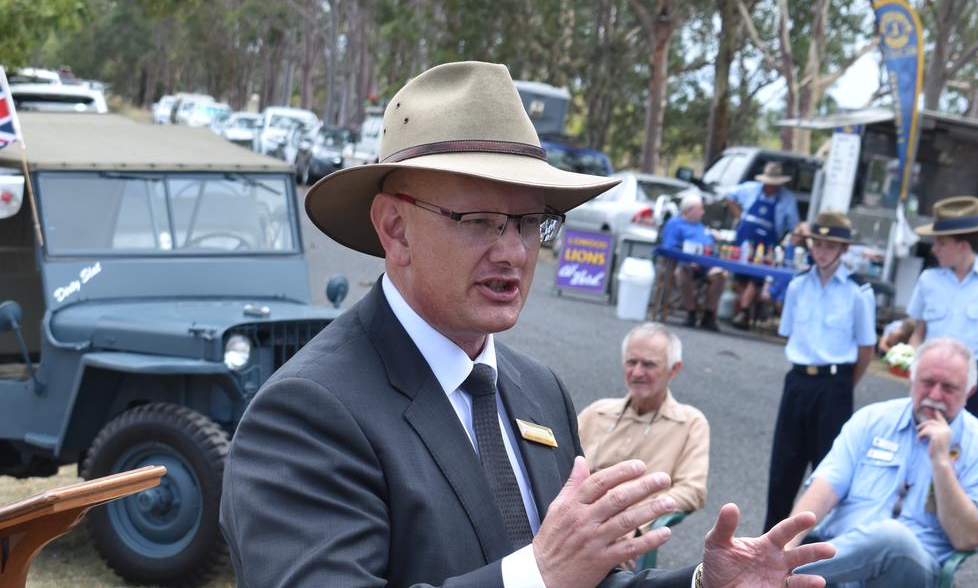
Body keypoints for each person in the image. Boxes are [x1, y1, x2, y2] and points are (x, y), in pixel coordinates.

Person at [220, 61, 834, 588]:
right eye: (480, 219)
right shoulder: (308, 412)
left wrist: (702, 584)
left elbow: (588, 579)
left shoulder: (538, 390)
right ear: (394, 229)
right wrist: (536, 574)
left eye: (529, 222)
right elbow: (554, 573)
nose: (513, 251)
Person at [788, 338, 978, 588]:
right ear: (911, 379)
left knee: (891, 539)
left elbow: (967, 539)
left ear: (969, 392)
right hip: (840, 555)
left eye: (948, 388)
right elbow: (825, 487)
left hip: (911, 572)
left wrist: (942, 463)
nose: (935, 395)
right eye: (927, 383)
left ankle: (779, 574)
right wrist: (783, 544)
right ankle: (774, 564)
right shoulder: (872, 420)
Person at [763, 211, 876, 532]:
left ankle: (820, 545)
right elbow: (790, 332)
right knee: (784, 466)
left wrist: (842, 385)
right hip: (798, 381)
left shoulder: (858, 291)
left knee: (829, 468)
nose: (822, 251)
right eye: (818, 244)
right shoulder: (798, 285)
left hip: (834, 384)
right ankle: (771, 538)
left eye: (831, 245)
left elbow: (866, 348)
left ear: (843, 250)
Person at [577, 323, 709, 530]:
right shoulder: (597, 412)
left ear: (673, 370)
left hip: (629, 531)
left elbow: (692, 491)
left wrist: (636, 521)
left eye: (649, 364)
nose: (637, 372)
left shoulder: (690, 423)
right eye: (631, 362)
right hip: (574, 520)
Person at [907, 195, 978, 420]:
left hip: (973, 383)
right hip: (932, 377)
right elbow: (918, 333)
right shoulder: (929, 280)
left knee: (963, 449)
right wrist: (914, 362)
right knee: (920, 438)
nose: (934, 250)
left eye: (941, 243)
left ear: (962, 246)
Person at [726, 162, 800, 329]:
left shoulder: (787, 199)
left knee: (756, 277)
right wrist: (739, 215)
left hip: (767, 244)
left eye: (775, 184)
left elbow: (793, 225)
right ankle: (743, 310)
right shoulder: (750, 189)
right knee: (739, 276)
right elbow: (728, 195)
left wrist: (794, 239)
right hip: (744, 239)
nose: (771, 187)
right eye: (769, 184)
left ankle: (744, 312)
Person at [658, 193, 726, 330]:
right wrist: (688, 260)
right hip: (682, 265)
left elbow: (710, 248)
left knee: (721, 275)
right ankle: (691, 312)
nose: (703, 212)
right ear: (689, 210)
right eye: (700, 209)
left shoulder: (700, 226)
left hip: (705, 265)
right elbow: (669, 248)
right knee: (683, 272)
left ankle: (709, 314)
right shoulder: (675, 224)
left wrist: (714, 241)